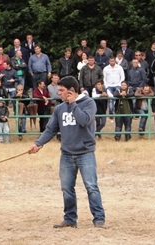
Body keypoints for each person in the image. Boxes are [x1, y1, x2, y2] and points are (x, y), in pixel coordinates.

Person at [28, 76, 106, 229]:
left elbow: (84, 120)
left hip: (85, 153)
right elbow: (50, 129)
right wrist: (38, 143)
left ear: (71, 92)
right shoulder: (59, 109)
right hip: (66, 154)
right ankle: (70, 219)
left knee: (91, 186)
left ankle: (99, 218)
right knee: (66, 188)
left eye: (62, 91)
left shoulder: (89, 103)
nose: (59, 94)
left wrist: (73, 104)